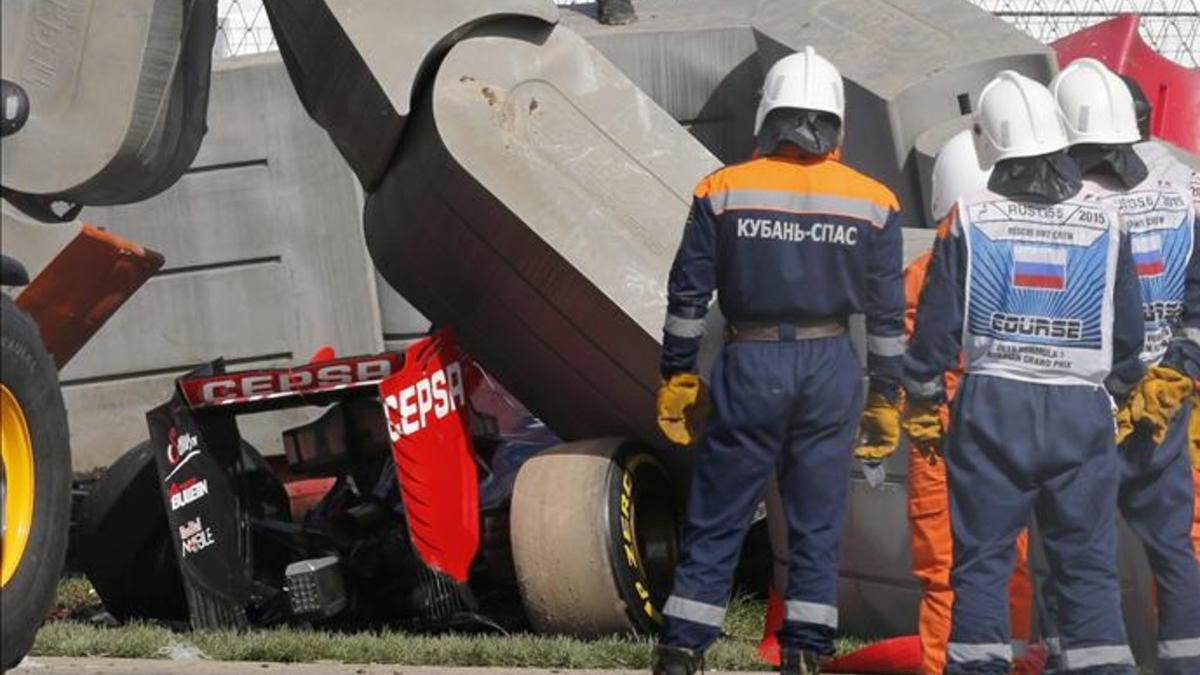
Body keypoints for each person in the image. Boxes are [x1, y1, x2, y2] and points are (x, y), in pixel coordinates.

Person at [653, 46, 904, 675]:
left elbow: (687, 295)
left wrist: (679, 373)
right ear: (838, 121)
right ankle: (804, 655)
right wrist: (885, 394)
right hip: (830, 367)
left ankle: (684, 649)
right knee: (817, 522)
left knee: (719, 514)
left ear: (769, 115)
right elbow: (886, 318)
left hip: (752, 362)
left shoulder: (722, 190)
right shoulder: (875, 202)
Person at [902, 70, 1144, 675]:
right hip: (1078, 412)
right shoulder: (1108, 220)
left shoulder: (968, 216)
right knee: (1086, 564)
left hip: (991, 407)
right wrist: (1110, 393)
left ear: (992, 144)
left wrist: (923, 395)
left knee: (982, 563)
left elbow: (934, 331)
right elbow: (1130, 337)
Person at [1047, 59, 1200, 675]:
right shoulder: (1187, 182)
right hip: (1167, 395)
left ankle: (1074, 664)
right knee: (1174, 548)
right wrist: (1179, 368)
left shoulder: (1065, 200)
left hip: (1089, 399)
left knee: (1075, 545)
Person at [892, 130, 1035, 675]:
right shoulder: (1026, 264)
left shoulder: (919, 276)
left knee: (944, 574)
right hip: (1006, 431)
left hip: (939, 440)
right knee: (1009, 565)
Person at [1121, 74, 1200, 571]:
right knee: (1183, 530)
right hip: (1182, 372)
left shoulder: (1082, 191)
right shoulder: (1189, 178)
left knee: (1079, 531)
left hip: (1120, 382)